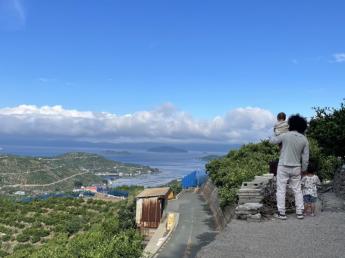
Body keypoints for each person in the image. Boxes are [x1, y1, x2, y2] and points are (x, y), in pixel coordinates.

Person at [269, 114, 309, 220]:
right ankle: (300, 212)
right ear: (302, 126)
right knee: (297, 190)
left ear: (290, 124)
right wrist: (304, 170)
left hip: (283, 166)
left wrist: (275, 130)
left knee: (281, 190)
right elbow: (305, 158)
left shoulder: (285, 135)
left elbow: (272, 141)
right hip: (296, 167)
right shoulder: (304, 139)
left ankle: (281, 213)